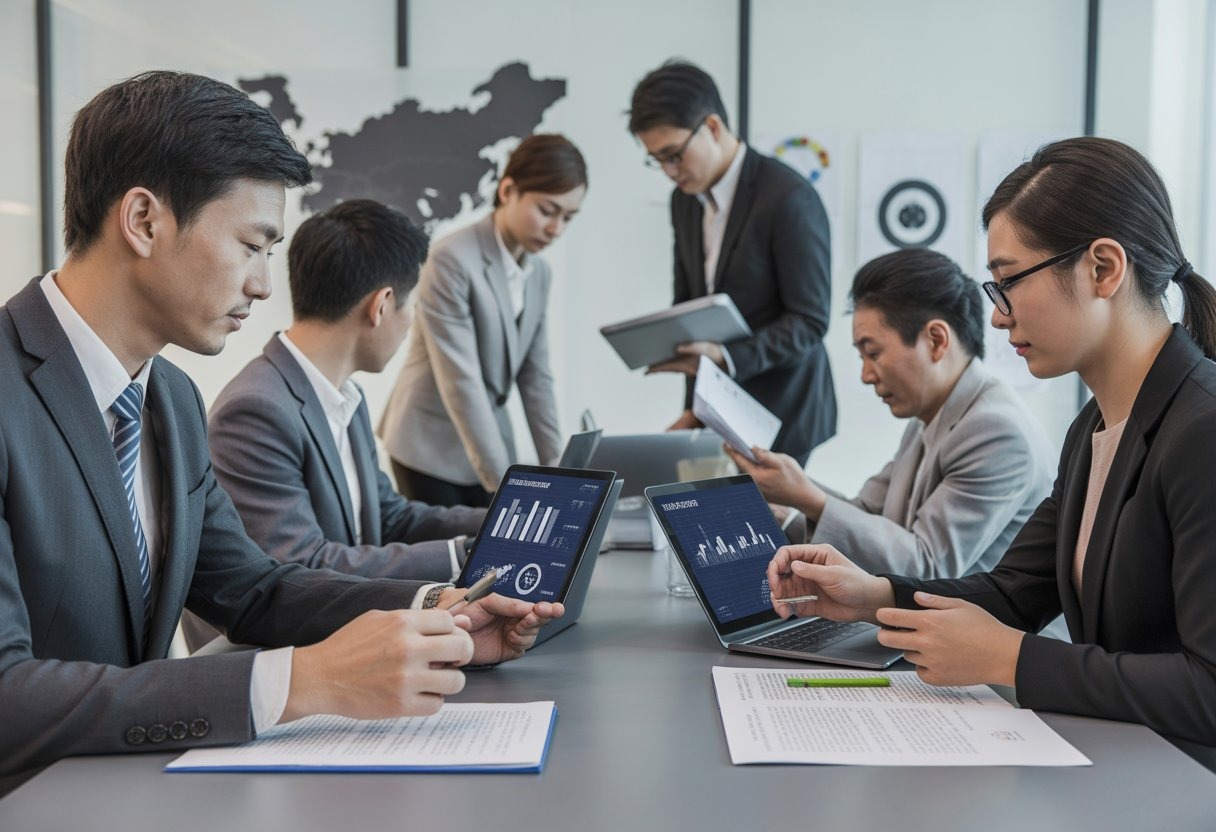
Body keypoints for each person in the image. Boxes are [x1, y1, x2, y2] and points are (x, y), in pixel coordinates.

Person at [0, 71, 561, 789]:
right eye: (253, 245)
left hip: (120, 792)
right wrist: (293, 683)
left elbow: (253, 590)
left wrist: (437, 613)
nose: (266, 285)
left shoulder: (168, 399)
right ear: (143, 221)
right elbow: (9, 694)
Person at [767, 137, 1216, 767]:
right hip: (1121, 762)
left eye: (1008, 283)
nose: (999, 318)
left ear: (1103, 269)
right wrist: (874, 596)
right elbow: (1012, 594)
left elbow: (1209, 691)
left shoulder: (1202, 428)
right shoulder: (1093, 426)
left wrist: (1012, 657)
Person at [184, 199, 488, 652]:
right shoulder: (256, 409)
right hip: (272, 658)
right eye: (413, 307)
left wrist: (496, 525)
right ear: (382, 306)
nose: (410, 325)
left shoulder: (345, 395)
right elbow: (303, 564)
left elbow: (389, 516)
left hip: (346, 634)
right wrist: (469, 555)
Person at [728, 248, 1055, 579]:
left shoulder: (995, 431)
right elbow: (866, 513)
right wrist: (788, 499)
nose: (866, 375)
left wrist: (805, 497)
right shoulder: (932, 415)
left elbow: (928, 566)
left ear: (936, 340)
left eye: (873, 353)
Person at [629, 60, 836, 465]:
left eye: (674, 155)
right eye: (657, 160)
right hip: (718, 414)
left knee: (767, 528)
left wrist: (727, 357)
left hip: (784, 411)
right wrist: (696, 408)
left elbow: (810, 321)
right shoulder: (684, 201)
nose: (669, 172)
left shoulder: (788, 197)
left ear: (712, 127)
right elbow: (689, 311)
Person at [378, 134, 586, 507]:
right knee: (450, 560)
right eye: (547, 210)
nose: (556, 228)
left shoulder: (539, 272)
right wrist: (506, 487)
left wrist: (560, 471)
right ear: (508, 190)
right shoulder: (451, 259)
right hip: (429, 445)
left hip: (487, 438)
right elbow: (462, 381)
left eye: (568, 217)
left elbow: (536, 375)